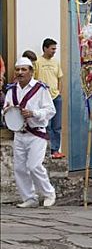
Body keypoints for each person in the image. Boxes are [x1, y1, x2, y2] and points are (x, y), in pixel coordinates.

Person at [3, 57, 56, 208]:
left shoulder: (40, 89)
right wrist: (6, 111)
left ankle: (49, 193)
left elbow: (51, 110)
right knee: (19, 168)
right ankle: (29, 198)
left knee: (34, 166)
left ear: (31, 71)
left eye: (24, 69)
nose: (20, 72)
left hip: (36, 133)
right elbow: (6, 107)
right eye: (18, 69)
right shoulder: (11, 90)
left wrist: (33, 113)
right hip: (19, 134)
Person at [33, 39, 64, 159]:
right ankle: (47, 149)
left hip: (56, 97)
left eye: (55, 49)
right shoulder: (38, 62)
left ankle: (55, 150)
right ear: (45, 48)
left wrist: (59, 92)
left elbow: (60, 78)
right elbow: (34, 80)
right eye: (52, 48)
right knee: (47, 125)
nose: (54, 51)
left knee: (57, 125)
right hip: (43, 99)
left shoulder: (56, 62)